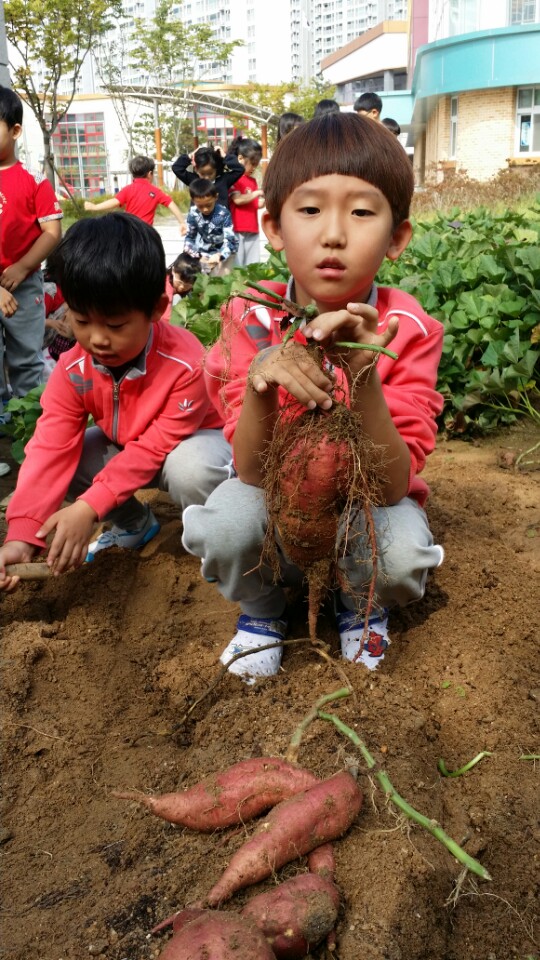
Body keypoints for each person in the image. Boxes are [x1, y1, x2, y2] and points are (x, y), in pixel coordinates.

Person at [182, 112, 445, 680]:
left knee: (399, 553)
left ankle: (360, 607)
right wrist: (261, 382)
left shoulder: (408, 328)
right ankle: (262, 614)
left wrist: (365, 373)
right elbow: (251, 470)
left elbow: (394, 484)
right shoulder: (248, 316)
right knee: (226, 524)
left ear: (397, 237)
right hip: (278, 503)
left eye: (361, 211)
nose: (333, 233)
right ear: (273, 228)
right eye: (309, 209)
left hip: (365, 508)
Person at [0, 213, 232, 592]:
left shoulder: (186, 362)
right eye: (82, 321)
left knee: (191, 469)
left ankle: (218, 539)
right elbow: (50, 445)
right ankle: (135, 525)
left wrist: (89, 507)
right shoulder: (73, 368)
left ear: (156, 309)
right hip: (132, 448)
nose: (97, 339)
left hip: (197, 445)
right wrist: (21, 533)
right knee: (72, 455)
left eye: (115, 325)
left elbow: (155, 448)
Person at [0, 85, 63, 417]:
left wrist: (23, 267)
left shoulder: (34, 180)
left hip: (22, 283)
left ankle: (29, 423)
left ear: (15, 130)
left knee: (26, 356)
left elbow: (52, 232)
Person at [83, 156, 186, 233]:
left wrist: (95, 207)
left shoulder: (128, 189)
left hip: (129, 232)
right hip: (147, 233)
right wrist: (182, 223)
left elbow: (114, 202)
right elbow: (171, 204)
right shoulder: (155, 192)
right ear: (150, 174)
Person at [183, 179, 238, 276]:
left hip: (225, 252)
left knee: (223, 278)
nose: (205, 209)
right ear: (193, 200)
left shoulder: (223, 214)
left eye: (208, 205)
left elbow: (230, 241)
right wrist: (198, 256)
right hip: (204, 252)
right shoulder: (193, 213)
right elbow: (189, 238)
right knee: (202, 280)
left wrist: (219, 256)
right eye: (200, 206)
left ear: (216, 197)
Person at [228, 137, 264, 267]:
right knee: (237, 267)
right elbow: (237, 199)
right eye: (252, 163)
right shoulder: (234, 178)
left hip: (252, 229)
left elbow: (258, 205)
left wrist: (265, 196)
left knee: (252, 266)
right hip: (237, 229)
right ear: (240, 158)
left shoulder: (252, 181)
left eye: (256, 164)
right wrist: (256, 193)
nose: (254, 167)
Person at [172, 145, 243, 209]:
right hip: (199, 222)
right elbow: (177, 168)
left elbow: (240, 170)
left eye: (210, 173)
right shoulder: (194, 180)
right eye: (202, 174)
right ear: (196, 169)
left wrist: (225, 156)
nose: (206, 177)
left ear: (216, 169)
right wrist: (190, 155)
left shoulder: (224, 180)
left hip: (221, 222)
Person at [161, 252, 201, 323]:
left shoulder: (195, 287)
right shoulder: (165, 286)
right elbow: (165, 318)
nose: (182, 287)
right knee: (177, 298)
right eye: (180, 282)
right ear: (173, 271)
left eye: (187, 285)